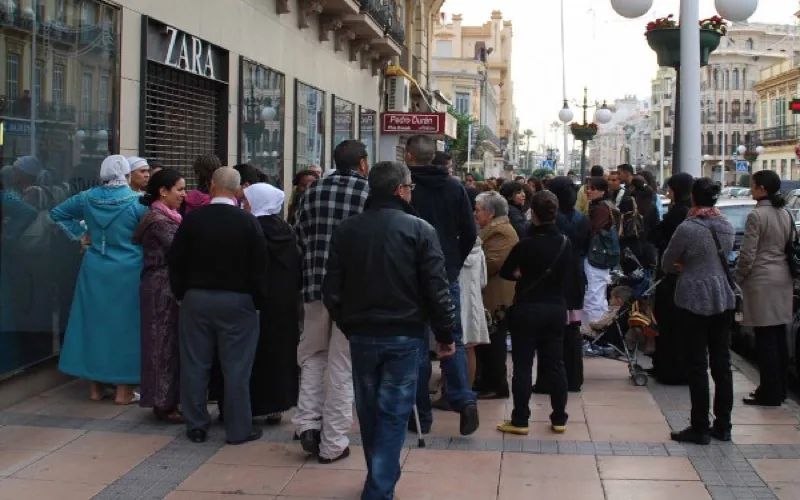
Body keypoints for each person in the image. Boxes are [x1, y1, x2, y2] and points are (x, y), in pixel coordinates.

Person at [323, 161, 456, 500]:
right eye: (409, 186)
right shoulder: (420, 229)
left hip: (365, 334)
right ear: (400, 189)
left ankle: (379, 479)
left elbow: (332, 289)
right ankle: (379, 487)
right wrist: (445, 333)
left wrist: (348, 322)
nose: (411, 191)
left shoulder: (348, 229)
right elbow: (436, 288)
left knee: (370, 413)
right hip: (403, 334)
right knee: (392, 414)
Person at [168, 167, 267, 445]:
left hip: (196, 299)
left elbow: (175, 259)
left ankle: (196, 424)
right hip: (237, 301)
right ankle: (238, 429)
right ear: (238, 191)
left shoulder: (193, 220)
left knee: (195, 363)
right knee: (237, 368)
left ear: (211, 186)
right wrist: (256, 300)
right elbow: (260, 267)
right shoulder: (247, 222)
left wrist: (181, 293)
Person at [293, 140, 370, 463]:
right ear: (363, 164)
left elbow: (299, 236)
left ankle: (308, 425)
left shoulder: (312, 192)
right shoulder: (368, 195)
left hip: (314, 286)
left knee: (312, 355)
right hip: (352, 293)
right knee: (342, 364)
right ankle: (334, 442)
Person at [52, 155, 147, 404]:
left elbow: (57, 214)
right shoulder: (138, 202)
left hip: (94, 268)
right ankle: (124, 390)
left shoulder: (87, 197)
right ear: (126, 175)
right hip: (129, 270)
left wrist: (82, 236)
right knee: (125, 328)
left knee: (93, 325)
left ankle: (95, 387)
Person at [405, 134, 479, 436]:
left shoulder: (406, 189)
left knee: (419, 342)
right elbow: (470, 231)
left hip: (412, 275)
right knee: (452, 339)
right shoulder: (454, 187)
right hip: (445, 273)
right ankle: (463, 399)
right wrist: (452, 262)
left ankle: (421, 413)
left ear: (409, 157)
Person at [662, 178, 736, 445]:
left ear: (693, 197)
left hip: (693, 297)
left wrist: (683, 266)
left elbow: (667, 261)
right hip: (722, 296)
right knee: (722, 365)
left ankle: (700, 427)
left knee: (697, 365)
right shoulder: (726, 225)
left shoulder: (688, 228)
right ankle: (724, 425)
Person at [224, 182, 302, 423]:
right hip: (283, 303)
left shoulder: (250, 228)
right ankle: (277, 404)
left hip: (255, 301)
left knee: (252, 354)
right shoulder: (285, 230)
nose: (244, 205)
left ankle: (251, 405)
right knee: (279, 353)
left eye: (247, 201)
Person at [497, 190, 572, 436]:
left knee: (522, 365)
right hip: (555, 308)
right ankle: (559, 417)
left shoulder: (525, 245)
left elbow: (507, 272)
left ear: (534, 214)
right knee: (555, 364)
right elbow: (571, 276)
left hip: (527, 307)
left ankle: (520, 419)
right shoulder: (565, 243)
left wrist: (521, 275)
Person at [736, 170, 794, 406]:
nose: (751, 189)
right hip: (783, 278)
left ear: (762, 189)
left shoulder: (756, 215)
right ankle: (779, 388)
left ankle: (768, 391)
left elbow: (748, 254)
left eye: (753, 185)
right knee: (778, 335)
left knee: (764, 337)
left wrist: (738, 277)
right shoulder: (785, 213)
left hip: (762, 280)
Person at [134, 169, 186, 423]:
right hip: (160, 288)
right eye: (179, 189)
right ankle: (162, 402)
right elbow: (181, 249)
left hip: (164, 285)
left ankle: (167, 399)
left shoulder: (168, 216)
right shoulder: (158, 221)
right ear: (163, 191)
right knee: (161, 344)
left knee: (167, 343)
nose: (183, 194)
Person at [648, 173, 693, 385]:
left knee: (669, 322)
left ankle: (670, 368)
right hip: (680, 275)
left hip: (672, 275)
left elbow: (659, 236)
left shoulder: (678, 213)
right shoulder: (688, 212)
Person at [473, 191, 518, 400]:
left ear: (490, 213)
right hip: (489, 294)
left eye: (478, 210)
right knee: (486, 342)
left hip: (496, 297)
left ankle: (496, 384)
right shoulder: (492, 229)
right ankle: (485, 381)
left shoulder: (501, 232)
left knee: (494, 342)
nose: (475, 214)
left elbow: (492, 262)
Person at [549, 176, 591, 393]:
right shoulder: (583, 219)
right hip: (575, 276)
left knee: (552, 332)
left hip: (554, 279)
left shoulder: (551, 220)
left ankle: (553, 378)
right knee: (572, 329)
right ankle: (574, 378)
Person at [583, 176, 618, 325]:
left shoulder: (601, 208)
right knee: (598, 295)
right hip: (601, 257)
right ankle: (599, 330)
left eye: (593, 188)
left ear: (603, 191)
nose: (589, 191)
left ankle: (593, 332)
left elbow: (592, 230)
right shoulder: (604, 205)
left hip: (596, 257)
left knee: (593, 295)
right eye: (588, 188)